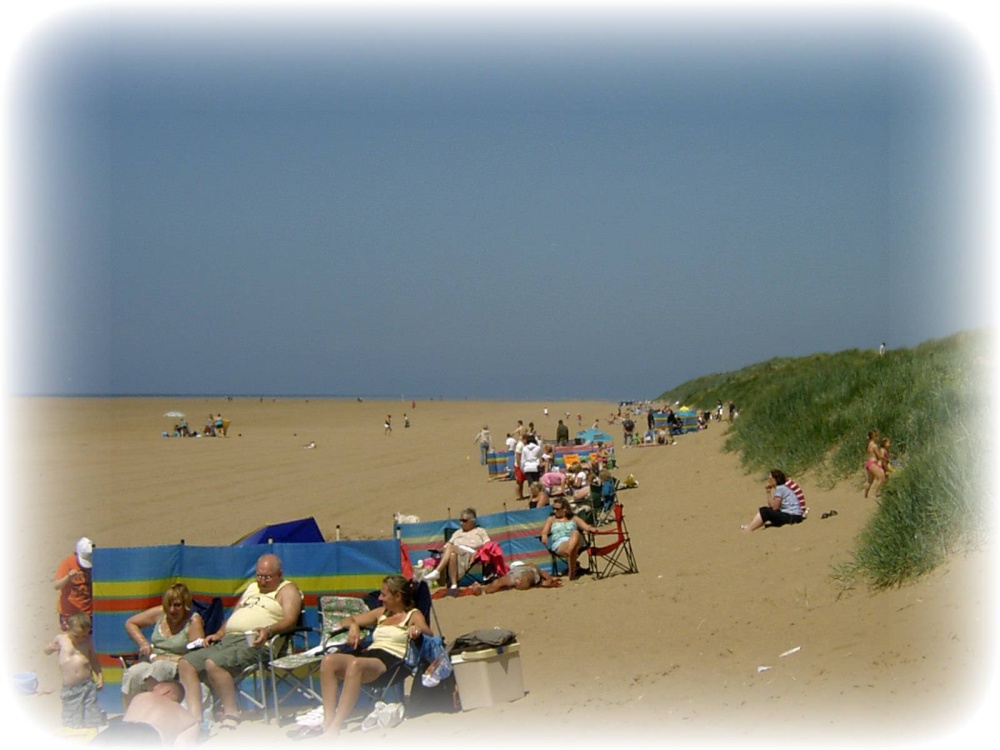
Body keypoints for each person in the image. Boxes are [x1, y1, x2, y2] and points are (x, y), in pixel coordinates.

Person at [297, 575, 433, 738]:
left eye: (384, 594)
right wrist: (353, 626)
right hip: (371, 654)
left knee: (356, 665)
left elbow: (428, 632)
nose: (380, 598)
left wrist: (417, 630)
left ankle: (336, 726)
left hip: (393, 661)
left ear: (397, 596)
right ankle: (327, 721)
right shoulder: (381, 613)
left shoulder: (412, 615)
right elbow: (347, 620)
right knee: (328, 661)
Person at [177, 553, 302, 727]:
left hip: (258, 642)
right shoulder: (252, 588)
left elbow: (290, 620)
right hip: (228, 640)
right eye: (259, 576)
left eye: (267, 577)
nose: (262, 581)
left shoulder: (287, 590)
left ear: (279, 574)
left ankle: (231, 712)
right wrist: (219, 633)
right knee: (186, 663)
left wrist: (268, 630)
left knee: (214, 663)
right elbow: (236, 614)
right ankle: (195, 716)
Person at [120, 583, 206, 709]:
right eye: (168, 605)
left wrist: (165, 658)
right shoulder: (161, 613)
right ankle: (130, 713)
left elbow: (196, 656)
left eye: (177, 605)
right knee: (133, 673)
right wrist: (143, 643)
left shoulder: (193, 621)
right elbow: (130, 623)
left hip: (177, 662)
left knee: (158, 668)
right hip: (152, 659)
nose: (172, 610)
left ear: (185, 605)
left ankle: (155, 711)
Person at [44, 612, 103, 729]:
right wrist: (50, 649)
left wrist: (100, 676)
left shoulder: (88, 641)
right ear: (68, 627)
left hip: (88, 685)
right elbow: (46, 651)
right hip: (70, 688)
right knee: (72, 720)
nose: (81, 639)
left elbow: (93, 660)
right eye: (76, 636)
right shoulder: (61, 639)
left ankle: (91, 735)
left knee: (91, 717)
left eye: (84, 636)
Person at [94, 681, 199, 746]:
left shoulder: (144, 696)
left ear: (166, 690)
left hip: (117, 729)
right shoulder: (189, 719)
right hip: (150, 736)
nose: (151, 691)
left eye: (154, 689)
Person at [422, 508, 490, 590]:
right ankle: (454, 584)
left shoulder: (480, 531)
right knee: (452, 554)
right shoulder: (458, 532)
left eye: (464, 520)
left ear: (472, 521)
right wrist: (438, 550)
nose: (461, 523)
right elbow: (447, 546)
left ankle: (437, 571)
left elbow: (488, 545)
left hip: (472, 553)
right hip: (457, 553)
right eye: (460, 520)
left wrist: (478, 552)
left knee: (451, 548)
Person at [541, 498, 597, 580]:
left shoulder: (574, 518)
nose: (554, 511)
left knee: (576, 532)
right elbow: (544, 532)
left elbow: (586, 527)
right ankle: (572, 573)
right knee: (573, 546)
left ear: (565, 509)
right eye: (553, 509)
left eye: (557, 509)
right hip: (560, 543)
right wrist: (544, 536)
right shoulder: (551, 519)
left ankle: (569, 550)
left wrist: (591, 529)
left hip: (577, 540)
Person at [741, 469, 806, 532]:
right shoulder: (782, 488)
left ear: (775, 480)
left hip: (792, 517)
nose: (768, 481)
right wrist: (768, 492)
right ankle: (752, 526)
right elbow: (772, 506)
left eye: (770, 479)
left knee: (764, 511)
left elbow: (774, 507)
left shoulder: (780, 489)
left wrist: (768, 494)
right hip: (793, 516)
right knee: (767, 511)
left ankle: (749, 529)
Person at [54, 537, 94, 631]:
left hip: (87, 612)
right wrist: (68, 577)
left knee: (87, 637)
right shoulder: (68, 562)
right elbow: (57, 586)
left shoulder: (95, 561)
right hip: (69, 613)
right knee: (72, 637)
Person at [471, 562, 561, 595]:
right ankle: (519, 582)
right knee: (525, 579)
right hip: (526, 574)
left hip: (513, 575)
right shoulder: (531, 565)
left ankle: (483, 590)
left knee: (499, 582)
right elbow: (544, 573)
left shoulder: (513, 571)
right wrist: (549, 580)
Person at [863, 430, 886, 499]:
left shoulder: (869, 445)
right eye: (877, 436)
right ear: (874, 437)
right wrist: (884, 458)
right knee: (881, 478)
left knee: (870, 481)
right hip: (872, 463)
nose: (878, 438)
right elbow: (879, 456)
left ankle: (865, 495)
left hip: (868, 463)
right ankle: (874, 494)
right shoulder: (874, 446)